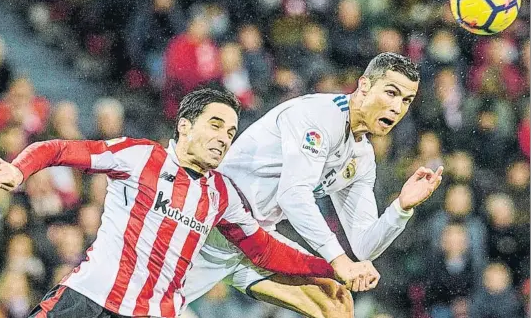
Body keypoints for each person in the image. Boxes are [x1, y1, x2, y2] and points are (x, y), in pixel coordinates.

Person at [0, 88, 379, 318]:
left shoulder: (221, 195)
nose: (225, 137)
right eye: (215, 125)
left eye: (230, 132)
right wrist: (19, 170)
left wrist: (334, 267)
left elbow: (265, 249)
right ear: (184, 126)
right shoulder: (139, 156)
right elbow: (59, 149)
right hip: (88, 298)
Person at [181, 53, 444, 318]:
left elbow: (364, 246)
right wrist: (338, 261)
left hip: (256, 239)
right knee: (146, 305)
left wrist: (401, 208)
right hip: (213, 226)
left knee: (336, 302)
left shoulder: (361, 158)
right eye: (391, 92)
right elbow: (293, 196)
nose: (397, 107)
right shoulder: (318, 116)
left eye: (406, 100)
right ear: (364, 85)